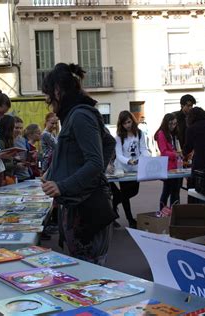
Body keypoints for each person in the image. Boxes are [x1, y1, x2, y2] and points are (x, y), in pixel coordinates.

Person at [41, 63, 116, 265]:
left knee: (90, 270)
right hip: (80, 203)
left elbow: (94, 162)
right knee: (87, 269)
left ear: (58, 91)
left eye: (48, 94)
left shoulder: (80, 116)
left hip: (85, 208)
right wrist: (55, 171)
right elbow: (108, 143)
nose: (48, 101)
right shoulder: (77, 114)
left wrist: (63, 185)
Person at [113, 110, 150, 228]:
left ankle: (113, 204)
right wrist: (128, 161)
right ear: (121, 124)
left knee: (134, 191)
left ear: (132, 120)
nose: (128, 125)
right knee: (125, 194)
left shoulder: (139, 133)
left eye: (129, 122)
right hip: (123, 169)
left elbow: (143, 148)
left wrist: (146, 157)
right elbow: (118, 154)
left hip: (136, 168)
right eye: (125, 123)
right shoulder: (119, 136)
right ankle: (130, 219)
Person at [154, 113, 182, 209]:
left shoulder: (173, 134)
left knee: (176, 191)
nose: (173, 126)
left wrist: (178, 153)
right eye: (170, 124)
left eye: (174, 124)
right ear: (166, 123)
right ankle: (162, 211)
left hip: (176, 166)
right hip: (168, 167)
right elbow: (164, 151)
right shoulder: (161, 133)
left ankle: (174, 213)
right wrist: (175, 154)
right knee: (167, 191)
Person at [0, 115, 17, 184]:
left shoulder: (9, 141)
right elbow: (0, 163)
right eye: (15, 127)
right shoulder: (1, 142)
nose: (17, 130)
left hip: (9, 176)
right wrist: (16, 165)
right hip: (4, 177)